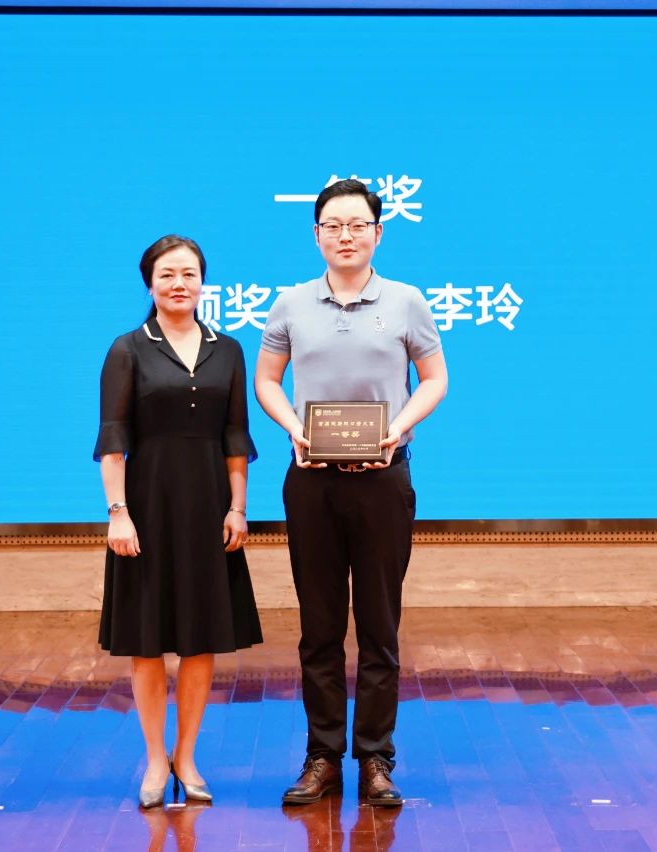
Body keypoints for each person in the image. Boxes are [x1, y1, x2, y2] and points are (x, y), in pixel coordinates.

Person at [255, 180, 448, 807]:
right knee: (318, 627)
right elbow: (267, 380)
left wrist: (398, 427)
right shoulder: (290, 303)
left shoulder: (407, 301)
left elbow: (435, 378)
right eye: (333, 225)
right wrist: (293, 428)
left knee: (379, 627)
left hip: (383, 481)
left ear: (377, 233)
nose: (345, 235)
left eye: (357, 225)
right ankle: (322, 755)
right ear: (316, 235)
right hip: (311, 482)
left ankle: (375, 758)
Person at [94, 234, 263, 808]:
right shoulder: (127, 349)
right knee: (148, 642)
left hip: (208, 508)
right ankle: (153, 759)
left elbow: (236, 437)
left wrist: (237, 507)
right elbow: (112, 440)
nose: (179, 284)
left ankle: (186, 758)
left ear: (203, 282)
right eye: (167, 274)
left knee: (199, 638)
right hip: (146, 508)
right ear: (150, 283)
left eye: (189, 274)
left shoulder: (228, 349)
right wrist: (118, 513)